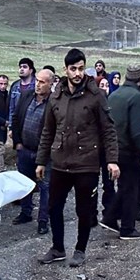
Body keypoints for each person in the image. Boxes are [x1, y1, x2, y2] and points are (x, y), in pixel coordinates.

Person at [35, 48, 119, 267]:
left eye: (81, 68)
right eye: (73, 69)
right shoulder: (56, 96)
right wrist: (41, 161)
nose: (77, 73)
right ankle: (57, 248)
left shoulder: (96, 96)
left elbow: (108, 129)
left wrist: (112, 160)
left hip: (86, 164)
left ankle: (80, 250)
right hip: (61, 163)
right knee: (54, 207)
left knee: (84, 210)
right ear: (65, 70)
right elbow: (48, 131)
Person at [100, 63, 140, 240]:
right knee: (131, 189)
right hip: (129, 151)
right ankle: (127, 229)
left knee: (124, 187)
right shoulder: (137, 97)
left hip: (112, 148)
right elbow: (137, 132)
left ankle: (109, 218)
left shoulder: (115, 95)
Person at [11, 68, 54, 234]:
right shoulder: (27, 96)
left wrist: (46, 154)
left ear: (50, 84)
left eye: (42, 82)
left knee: (45, 187)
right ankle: (25, 212)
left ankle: (43, 220)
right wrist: (17, 142)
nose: (38, 85)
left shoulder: (54, 103)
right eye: (37, 80)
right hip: (24, 150)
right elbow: (16, 118)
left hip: (43, 154)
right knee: (24, 183)